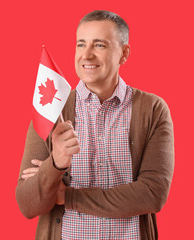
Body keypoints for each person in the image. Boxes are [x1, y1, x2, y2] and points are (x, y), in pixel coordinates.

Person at [15, 10, 174, 240]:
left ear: (124, 53)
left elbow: (152, 194)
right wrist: (56, 164)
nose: (86, 55)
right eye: (81, 44)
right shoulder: (52, 109)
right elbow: (27, 204)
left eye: (99, 45)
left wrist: (67, 197)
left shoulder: (152, 110)